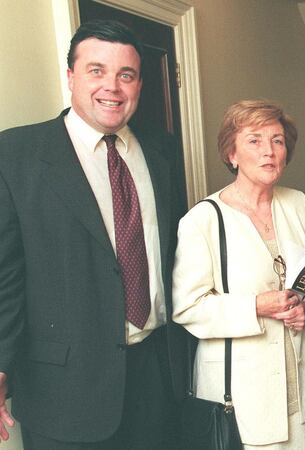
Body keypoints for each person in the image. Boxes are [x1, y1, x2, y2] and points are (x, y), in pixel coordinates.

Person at [0, 20, 188, 448]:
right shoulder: (15, 155)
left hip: (159, 379)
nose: (113, 87)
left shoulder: (161, 150)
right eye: (96, 70)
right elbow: (4, 277)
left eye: (127, 74)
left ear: (140, 83)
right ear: (70, 77)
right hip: (64, 392)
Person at [172, 99, 305, 449]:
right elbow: (187, 307)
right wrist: (257, 306)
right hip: (242, 394)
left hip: (300, 388)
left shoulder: (297, 204)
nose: (269, 151)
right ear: (232, 153)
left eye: (277, 140)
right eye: (254, 140)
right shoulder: (203, 219)